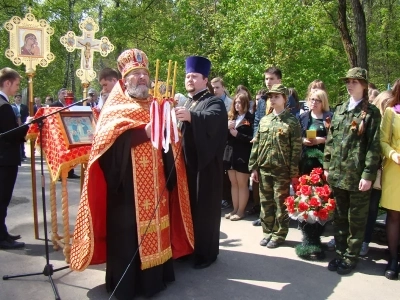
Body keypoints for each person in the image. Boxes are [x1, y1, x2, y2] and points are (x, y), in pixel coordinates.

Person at [70, 48, 194, 299]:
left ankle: (154, 281)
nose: (141, 79)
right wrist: (142, 133)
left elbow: (170, 142)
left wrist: (169, 130)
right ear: (124, 80)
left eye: (144, 74)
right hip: (126, 189)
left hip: (157, 181)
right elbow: (105, 145)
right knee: (128, 236)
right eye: (135, 75)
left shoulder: (156, 105)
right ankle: (127, 284)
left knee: (157, 230)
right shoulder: (116, 107)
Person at [324, 67, 381, 275]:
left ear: (364, 85)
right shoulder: (340, 110)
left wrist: (368, 175)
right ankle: (340, 253)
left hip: (357, 177)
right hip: (338, 175)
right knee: (339, 217)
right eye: (348, 81)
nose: (349, 85)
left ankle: (351, 257)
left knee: (356, 220)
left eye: (354, 82)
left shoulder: (371, 113)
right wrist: (327, 167)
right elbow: (330, 142)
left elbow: (374, 146)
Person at [175, 56, 228, 269]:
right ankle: (188, 247)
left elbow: (213, 123)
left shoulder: (213, 101)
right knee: (189, 208)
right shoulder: (188, 100)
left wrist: (192, 117)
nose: (190, 79)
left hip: (206, 168)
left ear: (204, 80)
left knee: (204, 211)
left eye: (194, 76)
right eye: (187, 76)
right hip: (188, 165)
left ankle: (206, 254)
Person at [249, 84, 302, 249]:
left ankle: (279, 234)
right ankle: (267, 232)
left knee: (280, 204)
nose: (272, 99)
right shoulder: (265, 120)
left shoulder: (291, 122)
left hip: (282, 170)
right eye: (270, 97)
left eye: (276, 96)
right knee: (266, 203)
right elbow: (256, 145)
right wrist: (253, 167)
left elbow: (296, 150)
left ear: (285, 99)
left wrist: (293, 173)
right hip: (264, 168)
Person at [359, 90, 392, 257]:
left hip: (381, 173)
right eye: (386, 105)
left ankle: (365, 241)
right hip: (364, 171)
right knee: (358, 207)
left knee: (372, 208)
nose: (389, 108)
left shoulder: (392, 121)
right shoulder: (370, 120)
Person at [0, 67, 29, 249]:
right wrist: (28, 126)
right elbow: (9, 134)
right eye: (16, 84)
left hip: (5, 157)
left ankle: (3, 232)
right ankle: (1, 238)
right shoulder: (3, 106)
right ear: (7, 83)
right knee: (2, 198)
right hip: (5, 158)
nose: (17, 89)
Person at [380, 79, 400, 279]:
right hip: (395, 169)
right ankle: (393, 259)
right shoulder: (391, 112)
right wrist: (394, 155)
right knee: (394, 216)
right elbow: (383, 141)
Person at [223, 93, 254, 221]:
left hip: (243, 154)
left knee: (242, 184)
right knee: (233, 183)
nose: (237, 105)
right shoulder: (231, 117)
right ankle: (235, 209)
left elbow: (252, 138)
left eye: (240, 102)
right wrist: (226, 128)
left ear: (245, 103)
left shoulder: (250, 118)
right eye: (235, 102)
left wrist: (238, 135)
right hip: (230, 154)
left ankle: (241, 211)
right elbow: (222, 137)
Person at [298, 89, 333, 175]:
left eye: (318, 100)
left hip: (324, 161)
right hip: (306, 160)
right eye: (312, 99)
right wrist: (303, 140)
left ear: (323, 102)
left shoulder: (330, 117)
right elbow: (296, 136)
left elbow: (335, 137)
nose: (314, 102)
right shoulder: (303, 117)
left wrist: (320, 140)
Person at [50, 88, 80, 179]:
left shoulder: (72, 104)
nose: (65, 95)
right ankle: (59, 173)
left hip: (70, 131)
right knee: (60, 153)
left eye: (66, 93)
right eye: (63, 93)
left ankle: (70, 172)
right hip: (58, 131)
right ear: (59, 95)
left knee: (70, 152)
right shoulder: (53, 105)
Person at [12, 93, 29, 160]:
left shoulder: (24, 106)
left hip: (22, 125)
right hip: (14, 125)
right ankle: (18, 154)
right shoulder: (11, 106)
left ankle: (22, 153)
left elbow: (26, 115)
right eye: (17, 97)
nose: (18, 99)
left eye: (20, 98)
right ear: (14, 98)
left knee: (22, 139)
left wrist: (23, 122)